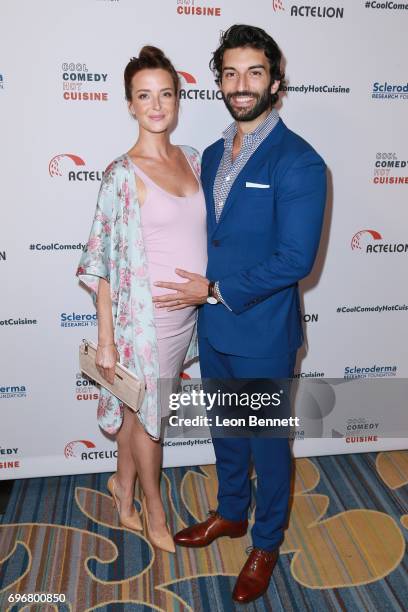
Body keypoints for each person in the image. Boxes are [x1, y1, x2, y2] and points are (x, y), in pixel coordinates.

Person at [152, 25, 327, 601]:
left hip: (262, 333)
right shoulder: (209, 154)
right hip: (216, 329)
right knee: (227, 432)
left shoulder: (299, 161)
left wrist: (216, 292)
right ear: (219, 82)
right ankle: (231, 513)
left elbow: (295, 259)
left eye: (254, 72)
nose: (241, 84)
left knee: (268, 445)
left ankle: (267, 541)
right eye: (230, 73)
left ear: (276, 80)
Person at [76, 46, 207, 554]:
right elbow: (102, 264)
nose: (156, 105)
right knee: (151, 425)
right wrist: (106, 342)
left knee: (139, 415)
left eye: (166, 94)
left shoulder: (193, 159)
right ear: (130, 104)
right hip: (139, 326)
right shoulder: (120, 175)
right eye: (144, 96)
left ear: (177, 99)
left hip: (185, 320)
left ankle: (122, 489)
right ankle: (153, 510)